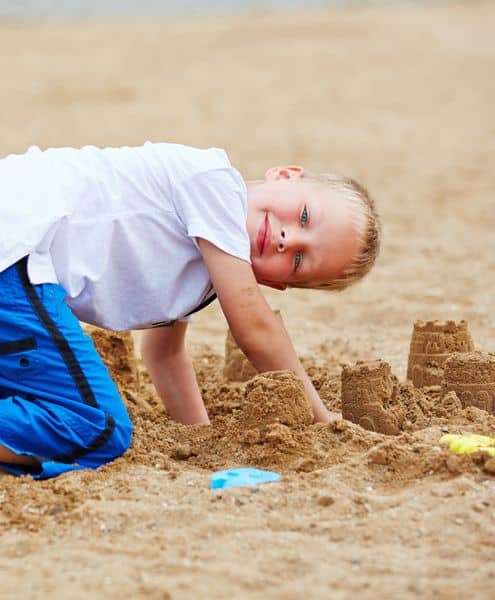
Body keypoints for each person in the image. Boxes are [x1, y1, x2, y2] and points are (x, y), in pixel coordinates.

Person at [0, 142, 380, 479]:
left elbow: (163, 354)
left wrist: (202, 440)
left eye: (299, 260)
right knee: (97, 427)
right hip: (20, 248)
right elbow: (255, 328)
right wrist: (323, 420)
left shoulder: (206, 270)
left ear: (277, 284)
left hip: (20, 264)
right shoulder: (214, 185)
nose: (288, 238)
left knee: (37, 405)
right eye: (304, 217)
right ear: (285, 175)